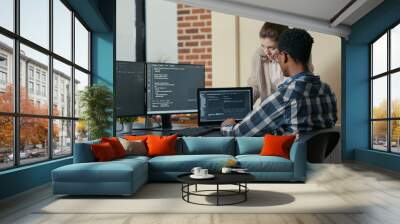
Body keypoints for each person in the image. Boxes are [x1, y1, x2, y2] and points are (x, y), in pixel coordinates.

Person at [221, 28, 337, 136]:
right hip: (315, 156)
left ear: (284, 56)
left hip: (284, 156)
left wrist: (227, 125)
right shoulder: (328, 90)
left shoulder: (284, 96)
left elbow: (239, 133)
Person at [248, 22, 314, 104]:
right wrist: (243, 107)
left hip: (293, 106)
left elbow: (305, 83)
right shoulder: (258, 55)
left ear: (284, 45)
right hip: (269, 109)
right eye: (263, 46)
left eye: (271, 48)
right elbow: (255, 86)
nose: (266, 52)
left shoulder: (297, 54)